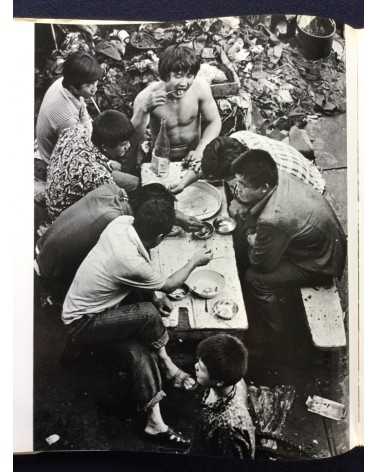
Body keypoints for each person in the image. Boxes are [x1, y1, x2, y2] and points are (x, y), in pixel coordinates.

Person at [61, 186, 213, 446]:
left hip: (103, 309)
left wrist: (153, 294)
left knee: (138, 352)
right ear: (160, 236)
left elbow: (132, 279)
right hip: (83, 323)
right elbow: (167, 284)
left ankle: (155, 422)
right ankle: (167, 364)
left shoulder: (122, 224)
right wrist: (193, 261)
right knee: (148, 314)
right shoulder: (131, 261)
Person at [230, 149, 346, 339]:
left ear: (264, 188)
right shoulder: (277, 175)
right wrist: (243, 204)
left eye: (243, 185)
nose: (238, 189)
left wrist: (251, 236)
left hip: (320, 263)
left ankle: (273, 331)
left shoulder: (273, 219)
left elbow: (262, 264)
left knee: (254, 278)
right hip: (316, 241)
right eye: (238, 182)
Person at [36, 182, 205, 298]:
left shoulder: (111, 190)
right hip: (54, 271)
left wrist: (179, 218)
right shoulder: (115, 221)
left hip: (44, 245)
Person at [131, 44, 222, 192]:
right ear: (165, 75)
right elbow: (134, 137)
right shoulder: (146, 96)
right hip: (162, 161)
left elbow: (214, 121)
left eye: (189, 76)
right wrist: (143, 109)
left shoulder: (200, 88)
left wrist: (201, 149)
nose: (184, 83)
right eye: (178, 76)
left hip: (194, 157)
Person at [45, 110, 139, 220]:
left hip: (54, 192)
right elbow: (120, 202)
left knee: (132, 182)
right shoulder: (98, 175)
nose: (128, 146)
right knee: (125, 206)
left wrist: (107, 163)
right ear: (104, 147)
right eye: (123, 144)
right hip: (64, 217)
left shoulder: (75, 130)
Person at [201, 130, 326, 198]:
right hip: (288, 157)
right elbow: (216, 161)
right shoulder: (236, 137)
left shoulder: (263, 173)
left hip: (305, 188)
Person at [190, 334, 255, 459]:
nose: (195, 366)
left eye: (202, 368)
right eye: (198, 361)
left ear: (219, 381)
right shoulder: (231, 380)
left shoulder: (229, 428)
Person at [36, 51, 103, 164]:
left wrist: (87, 125)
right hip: (55, 159)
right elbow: (80, 148)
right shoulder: (67, 119)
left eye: (94, 82)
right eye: (88, 85)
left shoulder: (63, 82)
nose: (94, 89)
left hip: (66, 138)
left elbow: (82, 109)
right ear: (74, 88)